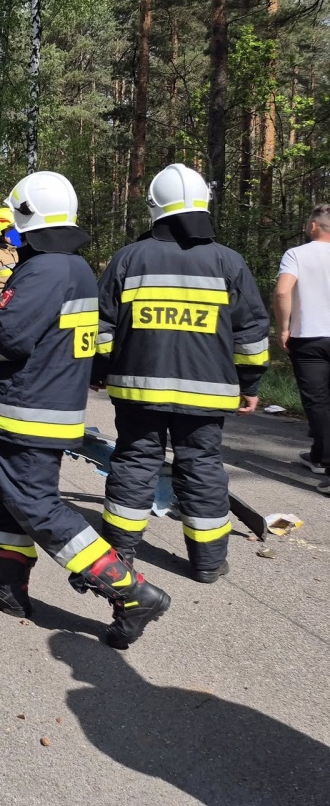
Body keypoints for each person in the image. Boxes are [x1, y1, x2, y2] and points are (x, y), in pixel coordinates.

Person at [0, 171, 171, 650]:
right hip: (38, 409)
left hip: (27, 412)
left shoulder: (44, 270)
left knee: (38, 506)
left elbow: (3, 338)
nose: (11, 227)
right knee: (4, 497)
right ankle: (6, 589)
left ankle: (130, 591)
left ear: (27, 217)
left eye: (15, 218)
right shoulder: (72, 267)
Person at [93, 163, 270, 580]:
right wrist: (250, 384)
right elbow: (250, 333)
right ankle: (208, 563)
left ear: (154, 207)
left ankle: (118, 558)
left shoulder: (128, 258)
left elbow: (100, 325)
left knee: (134, 462)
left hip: (138, 391)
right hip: (206, 394)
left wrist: (99, 370)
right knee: (202, 467)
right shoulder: (229, 262)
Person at [273, 205, 330, 492]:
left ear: (312, 227)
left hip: (308, 337)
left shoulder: (296, 254)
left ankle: (327, 462)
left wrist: (284, 327)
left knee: (317, 403)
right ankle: (319, 456)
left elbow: (283, 291)